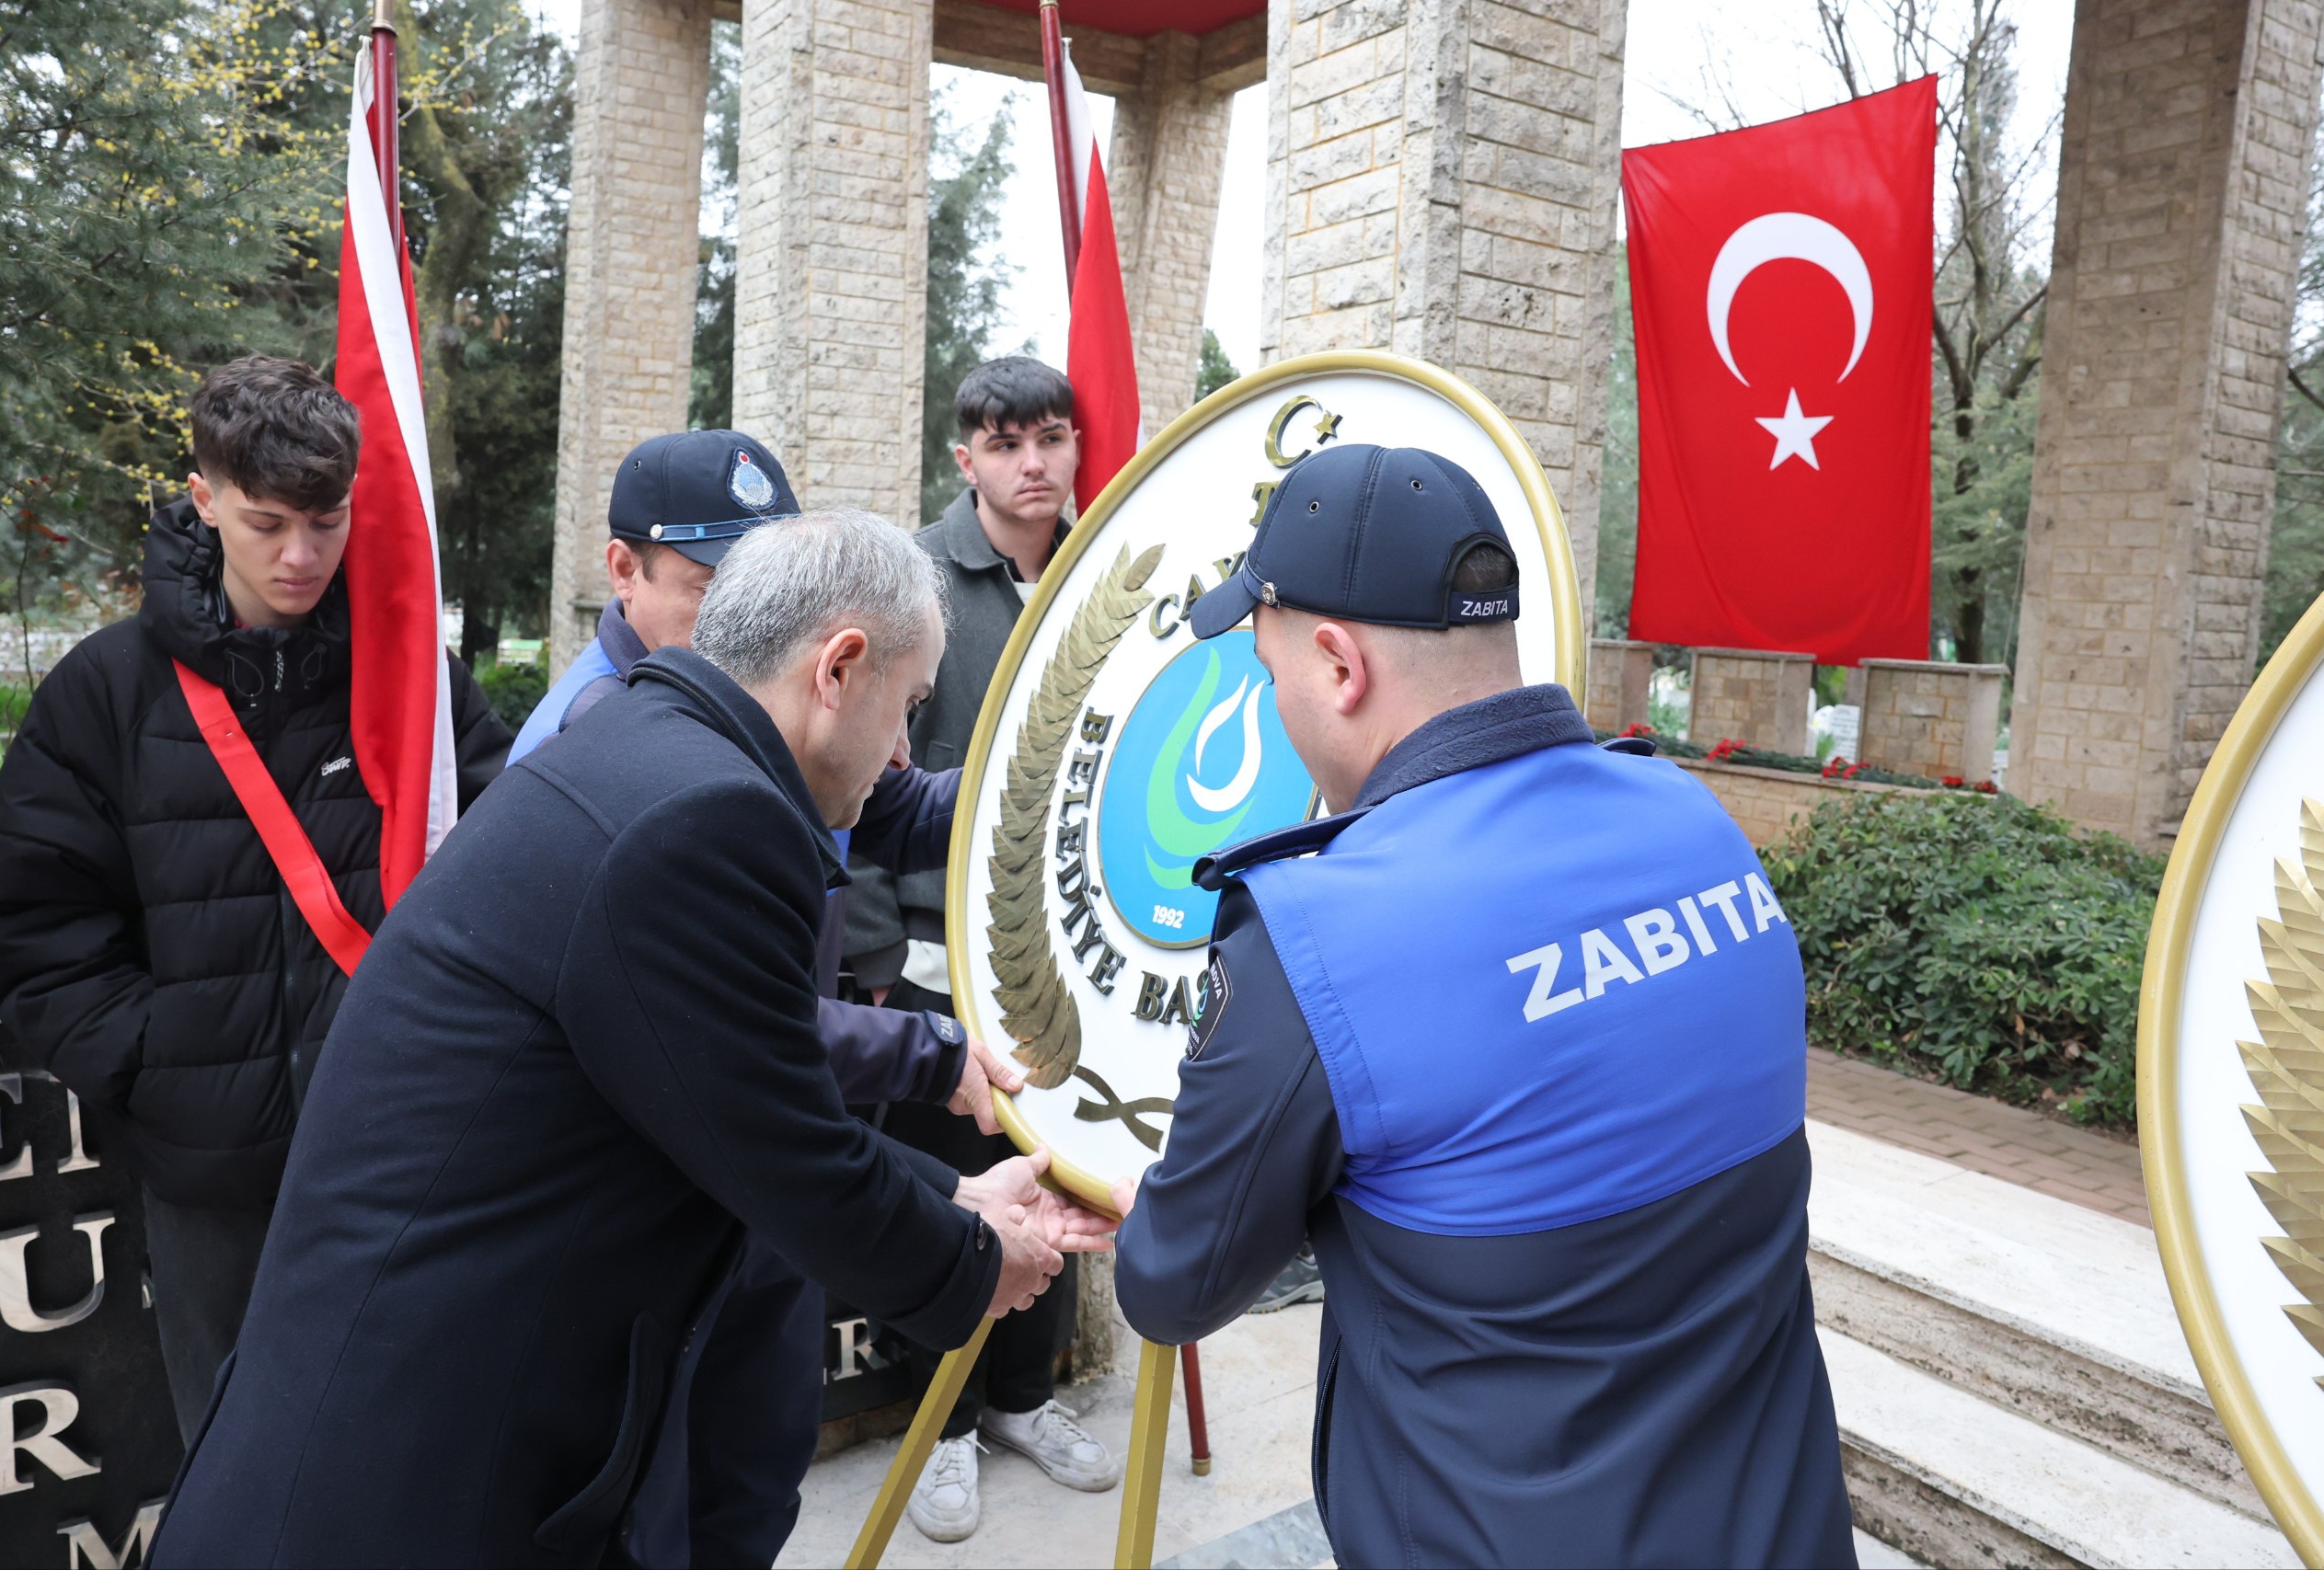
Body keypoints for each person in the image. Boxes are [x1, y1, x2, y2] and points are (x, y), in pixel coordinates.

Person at [150, 510, 1114, 1568]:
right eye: (911, 705)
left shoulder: (651, 750)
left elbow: (736, 1091)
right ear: (838, 668)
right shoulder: (706, 819)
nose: (899, 752)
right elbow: (786, 1153)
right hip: (405, 1489)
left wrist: (955, 1197)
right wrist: (972, 1257)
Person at [1109, 444, 1855, 1568]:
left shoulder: (1319, 938)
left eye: (1269, 674)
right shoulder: (1696, 822)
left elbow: (1171, 1284)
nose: (1276, 706)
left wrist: (1154, 1206)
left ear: (1338, 664)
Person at [0, 355, 511, 1441]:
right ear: (204, 497)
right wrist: (158, 1065)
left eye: (326, 521)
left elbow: (507, 869)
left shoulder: (414, 683)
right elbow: (22, 920)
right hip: (209, 1184)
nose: (300, 556)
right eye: (266, 523)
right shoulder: (105, 691)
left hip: (399, 1157)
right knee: (236, 1462)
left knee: (408, 1454)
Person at [502, 427, 1016, 1566]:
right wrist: (932, 1061)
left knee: (751, 1478)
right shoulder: (618, 752)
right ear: (622, 569)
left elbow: (902, 808)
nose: (745, 620)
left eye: (762, 583)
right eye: (709, 587)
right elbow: (721, 1023)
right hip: (657, 1191)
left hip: (758, 1172)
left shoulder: (761, 715)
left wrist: (1041, 784)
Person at [844, 357, 1121, 1542]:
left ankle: (1018, 1402)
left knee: (1057, 1180)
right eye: (1005, 444)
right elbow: (860, 777)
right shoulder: (915, 582)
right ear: (965, 459)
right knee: (951, 1202)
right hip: (931, 963)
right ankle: (941, 1426)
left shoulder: (1106, 566)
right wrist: (871, 955)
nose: (1033, 464)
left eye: (1051, 438)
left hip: (1071, 958)